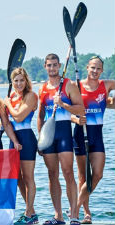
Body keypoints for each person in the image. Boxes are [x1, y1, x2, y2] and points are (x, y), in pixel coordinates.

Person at [37, 53, 84, 225]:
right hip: (49, 134)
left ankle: (74, 216)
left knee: (68, 172)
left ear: (59, 66)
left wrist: (63, 104)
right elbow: (40, 115)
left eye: (55, 65)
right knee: (52, 174)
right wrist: (40, 139)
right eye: (49, 65)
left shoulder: (69, 85)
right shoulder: (42, 89)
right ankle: (58, 216)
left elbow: (81, 110)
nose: (52, 68)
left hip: (64, 131)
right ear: (45, 66)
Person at [71, 56, 115, 224]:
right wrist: (76, 119)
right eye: (92, 68)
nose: (95, 71)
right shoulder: (76, 86)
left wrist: (111, 101)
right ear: (87, 68)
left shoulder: (107, 85)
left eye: (98, 69)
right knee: (83, 176)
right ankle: (86, 213)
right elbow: (65, 112)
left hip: (97, 134)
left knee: (97, 174)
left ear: (102, 71)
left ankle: (74, 207)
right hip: (80, 134)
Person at [4, 68, 38, 224]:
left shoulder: (31, 96)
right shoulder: (12, 97)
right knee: (17, 178)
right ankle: (31, 212)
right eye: (16, 81)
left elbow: (18, 118)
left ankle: (28, 214)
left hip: (27, 138)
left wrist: (7, 104)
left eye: (21, 80)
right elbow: (8, 123)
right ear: (12, 82)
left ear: (26, 81)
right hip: (14, 140)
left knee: (28, 177)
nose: (19, 84)